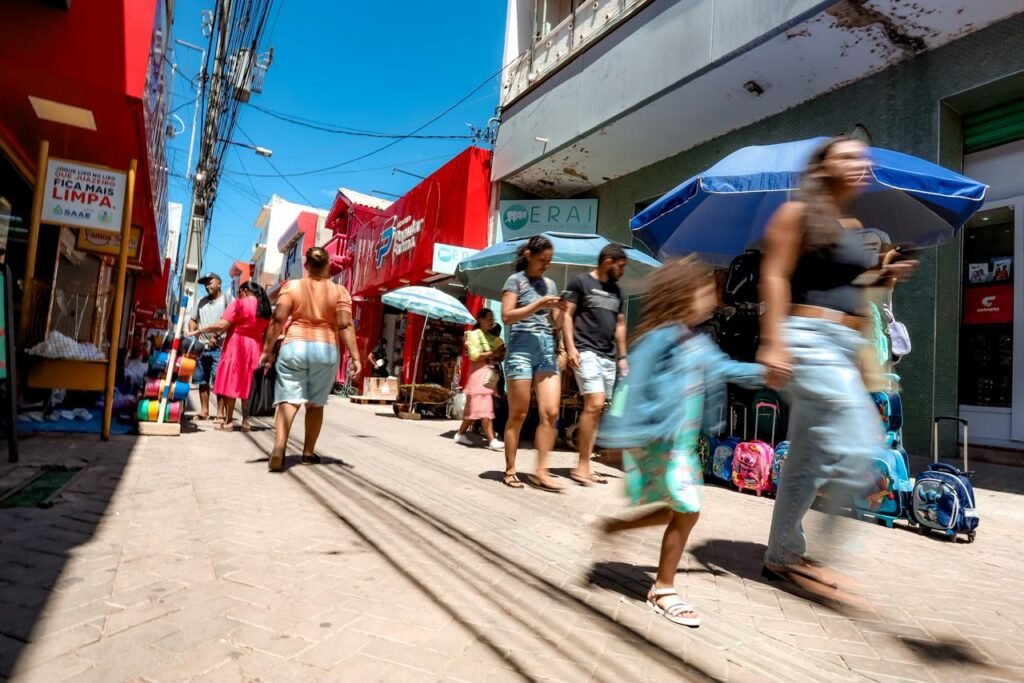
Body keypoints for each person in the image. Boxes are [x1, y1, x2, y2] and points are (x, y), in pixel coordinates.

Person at [757, 136, 916, 606]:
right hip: (809, 341)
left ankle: (782, 555)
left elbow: (850, 291)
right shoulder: (796, 213)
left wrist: (884, 276)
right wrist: (772, 340)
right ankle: (827, 556)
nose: (858, 163)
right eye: (846, 155)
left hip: (844, 345)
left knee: (806, 461)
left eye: (862, 157)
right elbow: (775, 274)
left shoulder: (850, 224)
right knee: (859, 441)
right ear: (823, 167)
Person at [593, 257, 764, 628]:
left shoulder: (698, 343)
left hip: (682, 445)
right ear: (681, 297)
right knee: (687, 509)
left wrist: (766, 373)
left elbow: (726, 369)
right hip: (658, 440)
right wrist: (616, 431)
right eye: (705, 292)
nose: (711, 299)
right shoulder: (660, 338)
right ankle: (663, 589)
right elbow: (631, 384)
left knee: (676, 509)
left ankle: (616, 527)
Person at [260, 247, 361, 472]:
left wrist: (267, 349)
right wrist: (356, 358)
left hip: (294, 346)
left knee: (289, 399)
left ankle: (278, 449)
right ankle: (307, 452)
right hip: (325, 349)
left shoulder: (292, 287)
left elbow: (278, 319)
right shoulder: (339, 292)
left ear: (306, 266)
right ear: (327, 267)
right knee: (315, 405)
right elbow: (345, 324)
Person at [500, 235, 565, 491]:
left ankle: (541, 471)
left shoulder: (550, 283)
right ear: (528, 255)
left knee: (551, 412)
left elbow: (557, 323)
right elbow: (507, 316)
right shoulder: (515, 281)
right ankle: (510, 469)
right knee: (519, 413)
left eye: (549, 261)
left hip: (546, 348)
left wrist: (562, 310)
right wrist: (538, 303)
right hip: (521, 350)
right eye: (542, 260)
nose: (546, 265)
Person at [564, 244, 629, 486]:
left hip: (608, 357)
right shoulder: (580, 282)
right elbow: (568, 315)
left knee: (597, 409)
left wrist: (623, 357)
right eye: (621, 266)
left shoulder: (618, 292)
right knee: (595, 402)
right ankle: (581, 466)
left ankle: (585, 464)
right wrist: (570, 347)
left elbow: (620, 325)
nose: (622, 271)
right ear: (608, 261)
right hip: (585, 351)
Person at [187, 281, 272, 432]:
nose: (238, 296)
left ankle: (228, 422)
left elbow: (222, 325)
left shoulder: (239, 305)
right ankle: (245, 422)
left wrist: (199, 330)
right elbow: (267, 333)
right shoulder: (264, 308)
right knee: (247, 385)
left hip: (236, 346)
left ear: (245, 291)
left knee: (232, 383)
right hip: (254, 349)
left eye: (239, 293)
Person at [454, 308, 505, 451]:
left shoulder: (491, 337)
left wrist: (500, 352)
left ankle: (460, 434)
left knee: (473, 410)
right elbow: (474, 355)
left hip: (488, 375)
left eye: (492, 320)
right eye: (488, 319)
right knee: (485, 408)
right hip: (478, 375)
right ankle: (491, 439)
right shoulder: (474, 335)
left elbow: (499, 354)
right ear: (481, 319)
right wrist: (492, 353)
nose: (491, 322)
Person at [189, 273, 233, 421]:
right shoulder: (201, 302)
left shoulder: (227, 300)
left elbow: (231, 321)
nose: (207, 286)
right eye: (205, 284)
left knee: (219, 381)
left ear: (219, 283)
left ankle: (220, 413)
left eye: (210, 282)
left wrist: (217, 335)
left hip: (219, 348)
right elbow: (193, 320)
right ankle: (204, 411)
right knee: (202, 381)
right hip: (201, 348)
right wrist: (193, 331)